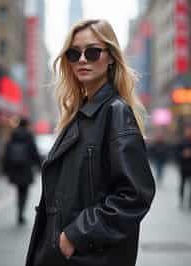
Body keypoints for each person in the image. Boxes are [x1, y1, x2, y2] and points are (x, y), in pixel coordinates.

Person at [26, 19, 155, 266]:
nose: (82, 59)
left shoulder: (115, 112)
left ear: (110, 57)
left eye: (92, 51)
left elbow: (135, 195)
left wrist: (75, 236)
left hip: (88, 256)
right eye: (74, 53)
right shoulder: (79, 114)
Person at [3, 118, 41, 225]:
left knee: (19, 191)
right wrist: (39, 165)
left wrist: (5, 168)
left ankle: (19, 211)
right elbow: (34, 151)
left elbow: (7, 152)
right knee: (25, 191)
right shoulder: (29, 135)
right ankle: (21, 212)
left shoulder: (12, 135)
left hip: (15, 168)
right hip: (26, 168)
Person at [175, 124, 191, 209]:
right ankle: (181, 200)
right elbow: (176, 153)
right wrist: (183, 154)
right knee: (183, 184)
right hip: (183, 167)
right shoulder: (182, 141)